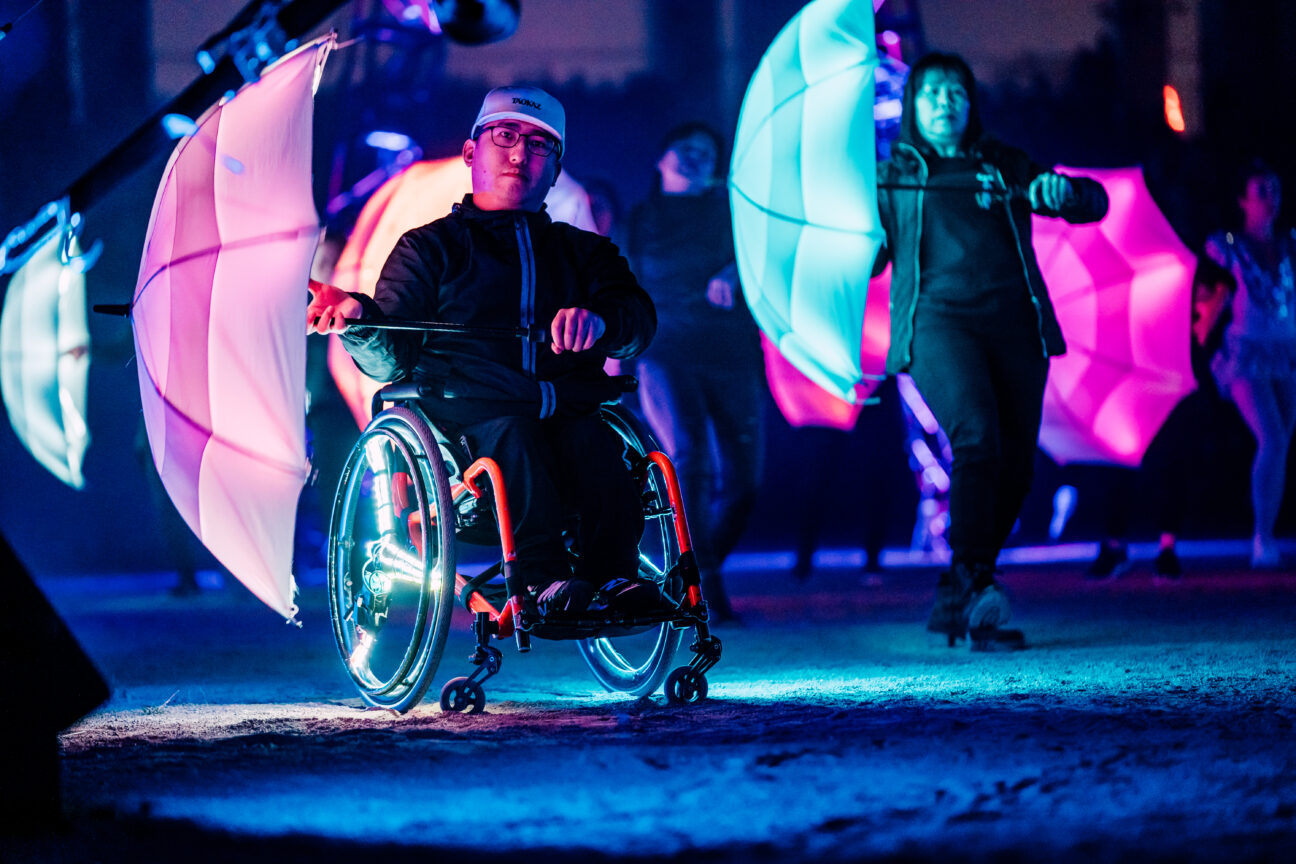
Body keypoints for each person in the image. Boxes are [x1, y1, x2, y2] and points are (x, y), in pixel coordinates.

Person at [306, 85, 661, 617]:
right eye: (506, 136)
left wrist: (602, 319)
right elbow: (392, 359)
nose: (521, 153)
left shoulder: (585, 252)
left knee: (596, 441)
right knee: (513, 433)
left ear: (556, 168)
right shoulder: (427, 249)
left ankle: (614, 579)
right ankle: (541, 581)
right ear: (472, 153)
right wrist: (357, 319)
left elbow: (637, 321)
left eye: (540, 145)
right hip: (467, 436)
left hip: (567, 413)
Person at [872, 52, 1108, 646]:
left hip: (1015, 326)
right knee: (976, 438)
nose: (944, 102)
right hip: (937, 325)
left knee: (1018, 467)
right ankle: (979, 587)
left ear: (971, 101)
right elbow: (869, 258)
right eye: (931, 93)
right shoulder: (890, 174)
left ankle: (958, 588)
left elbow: (1090, 201)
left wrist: (1064, 193)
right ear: (912, 106)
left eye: (956, 91)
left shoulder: (1002, 162)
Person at [625, 122, 765, 623]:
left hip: (730, 352)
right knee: (688, 457)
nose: (694, 157)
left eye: (706, 152)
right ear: (660, 160)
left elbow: (766, 266)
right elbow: (621, 287)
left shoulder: (737, 216)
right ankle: (703, 589)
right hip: (664, 351)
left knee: (745, 481)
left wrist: (736, 273)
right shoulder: (639, 220)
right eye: (683, 148)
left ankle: (695, 572)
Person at [1084, 258, 1238, 581]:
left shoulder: (1179, 254)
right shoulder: (1122, 259)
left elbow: (1223, 284)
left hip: (1175, 372)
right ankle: (1114, 544)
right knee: (1119, 458)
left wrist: (1203, 323)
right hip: (1132, 365)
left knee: (1171, 459)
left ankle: (1167, 546)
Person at [1204, 160, 1296, 569]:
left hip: (1287, 351)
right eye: (1261, 191)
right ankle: (1261, 536)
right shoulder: (1230, 244)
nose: (1270, 199)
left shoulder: (1290, 242)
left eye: (1274, 189)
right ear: (1243, 200)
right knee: (1272, 440)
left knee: (1281, 443)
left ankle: (1268, 532)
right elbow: (1209, 295)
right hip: (1247, 352)